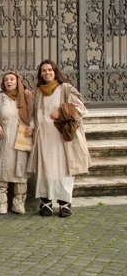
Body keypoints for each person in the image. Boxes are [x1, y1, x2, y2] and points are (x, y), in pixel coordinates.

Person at [28, 59, 90, 218]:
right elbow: (36, 113)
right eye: (43, 70)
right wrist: (32, 126)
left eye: (50, 70)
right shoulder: (39, 91)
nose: (47, 73)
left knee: (63, 168)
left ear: (55, 72)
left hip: (61, 137)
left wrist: (61, 112)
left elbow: (81, 109)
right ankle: (46, 202)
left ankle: (65, 203)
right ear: (40, 73)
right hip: (43, 137)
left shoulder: (65, 88)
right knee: (45, 168)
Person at [0, 71, 33, 215]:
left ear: (18, 81)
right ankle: (2, 203)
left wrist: (31, 127)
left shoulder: (26, 97)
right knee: (3, 168)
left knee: (20, 170)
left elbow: (33, 115)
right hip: (4, 138)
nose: (9, 82)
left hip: (21, 137)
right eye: (6, 79)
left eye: (12, 79)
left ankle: (18, 203)